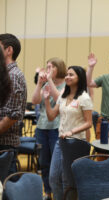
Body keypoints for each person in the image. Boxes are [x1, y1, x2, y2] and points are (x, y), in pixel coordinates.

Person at [45, 66, 93, 200]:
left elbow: (89, 123)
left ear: (79, 78)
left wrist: (71, 131)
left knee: (68, 181)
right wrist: (47, 100)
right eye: (67, 74)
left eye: (71, 75)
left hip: (76, 142)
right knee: (54, 178)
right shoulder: (62, 96)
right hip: (62, 142)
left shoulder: (84, 98)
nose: (67, 77)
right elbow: (51, 117)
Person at [32, 58, 66, 200]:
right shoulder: (45, 83)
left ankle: (59, 193)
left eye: (51, 67)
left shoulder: (65, 85)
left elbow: (59, 99)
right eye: (47, 67)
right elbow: (35, 101)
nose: (48, 70)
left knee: (56, 164)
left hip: (56, 128)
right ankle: (47, 192)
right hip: (42, 127)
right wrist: (40, 83)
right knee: (44, 162)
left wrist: (49, 80)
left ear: (58, 68)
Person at [0, 33, 27, 175]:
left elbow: (12, 116)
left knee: (6, 191)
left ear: (8, 50)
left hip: (5, 144)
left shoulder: (13, 75)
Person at [86, 53, 109, 139]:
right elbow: (89, 83)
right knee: (101, 148)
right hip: (105, 120)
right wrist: (91, 67)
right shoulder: (105, 78)